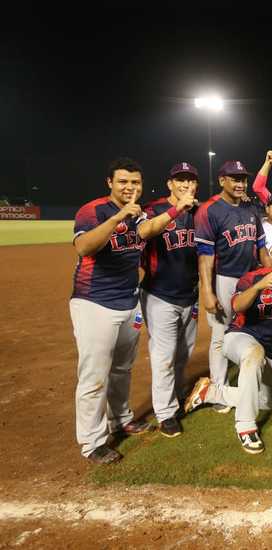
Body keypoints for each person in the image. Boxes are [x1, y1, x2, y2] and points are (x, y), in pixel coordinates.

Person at [184, 235, 272, 454]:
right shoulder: (253, 277)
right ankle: (246, 426)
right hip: (239, 337)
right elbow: (237, 306)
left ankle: (211, 393)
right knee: (253, 354)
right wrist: (258, 286)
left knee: (270, 401)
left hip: (270, 349)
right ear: (271, 255)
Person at [70, 157, 152, 464]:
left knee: (122, 368)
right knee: (94, 375)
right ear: (110, 183)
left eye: (135, 182)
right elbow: (84, 247)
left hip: (130, 302)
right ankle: (92, 441)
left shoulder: (140, 215)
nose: (130, 187)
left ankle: (121, 418)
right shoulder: (93, 210)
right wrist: (118, 216)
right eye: (123, 181)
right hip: (94, 302)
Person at [195, 160, 270, 407]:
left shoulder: (250, 209)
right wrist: (207, 291)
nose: (240, 184)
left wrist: (271, 274)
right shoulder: (209, 210)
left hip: (250, 278)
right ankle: (218, 388)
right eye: (235, 179)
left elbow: (262, 248)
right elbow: (205, 257)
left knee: (251, 326)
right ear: (222, 180)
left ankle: (253, 377)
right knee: (220, 333)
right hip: (224, 278)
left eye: (243, 179)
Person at [138, 162, 199, 438]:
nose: (186, 184)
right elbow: (145, 231)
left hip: (190, 294)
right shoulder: (154, 209)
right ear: (170, 184)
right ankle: (165, 413)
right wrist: (177, 209)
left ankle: (176, 394)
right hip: (159, 295)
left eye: (191, 180)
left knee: (184, 352)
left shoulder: (198, 212)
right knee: (164, 356)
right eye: (180, 180)